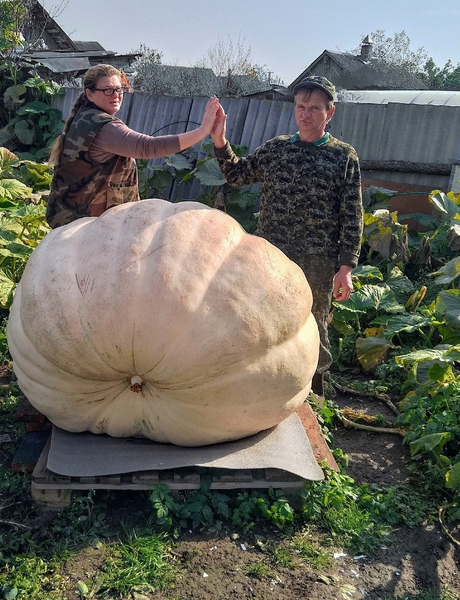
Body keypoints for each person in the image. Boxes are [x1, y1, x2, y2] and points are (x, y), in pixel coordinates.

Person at [210, 75, 363, 397]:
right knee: (258, 317)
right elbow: (237, 174)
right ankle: (259, 386)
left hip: (317, 259)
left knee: (314, 324)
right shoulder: (277, 149)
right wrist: (220, 141)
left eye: (314, 109)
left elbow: (352, 214)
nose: (305, 114)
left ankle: (316, 396)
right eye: (301, 107)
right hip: (270, 254)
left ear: (329, 113)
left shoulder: (343, 157)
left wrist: (346, 267)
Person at [46, 64, 220, 228]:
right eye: (107, 90)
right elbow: (147, 147)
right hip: (89, 226)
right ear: (90, 94)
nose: (116, 95)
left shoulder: (86, 117)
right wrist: (202, 131)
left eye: (119, 89)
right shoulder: (105, 127)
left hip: (70, 216)